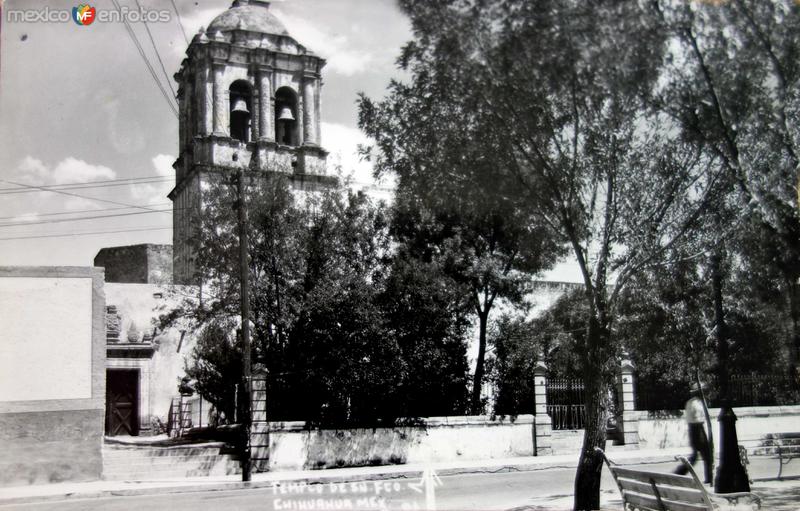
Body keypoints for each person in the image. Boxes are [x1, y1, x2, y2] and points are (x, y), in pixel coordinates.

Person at [675, 382, 713, 484]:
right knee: (706, 456)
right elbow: (698, 419)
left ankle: (679, 474)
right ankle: (709, 478)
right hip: (697, 429)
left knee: (696, 457)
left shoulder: (692, 402)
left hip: (695, 430)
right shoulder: (696, 403)